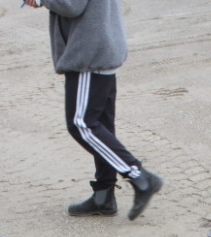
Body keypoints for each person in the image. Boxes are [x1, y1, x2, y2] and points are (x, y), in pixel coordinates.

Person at [23, 0, 162, 220]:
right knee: (101, 125)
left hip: (90, 51)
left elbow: (71, 5)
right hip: (102, 45)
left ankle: (139, 177)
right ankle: (103, 195)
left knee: (83, 124)